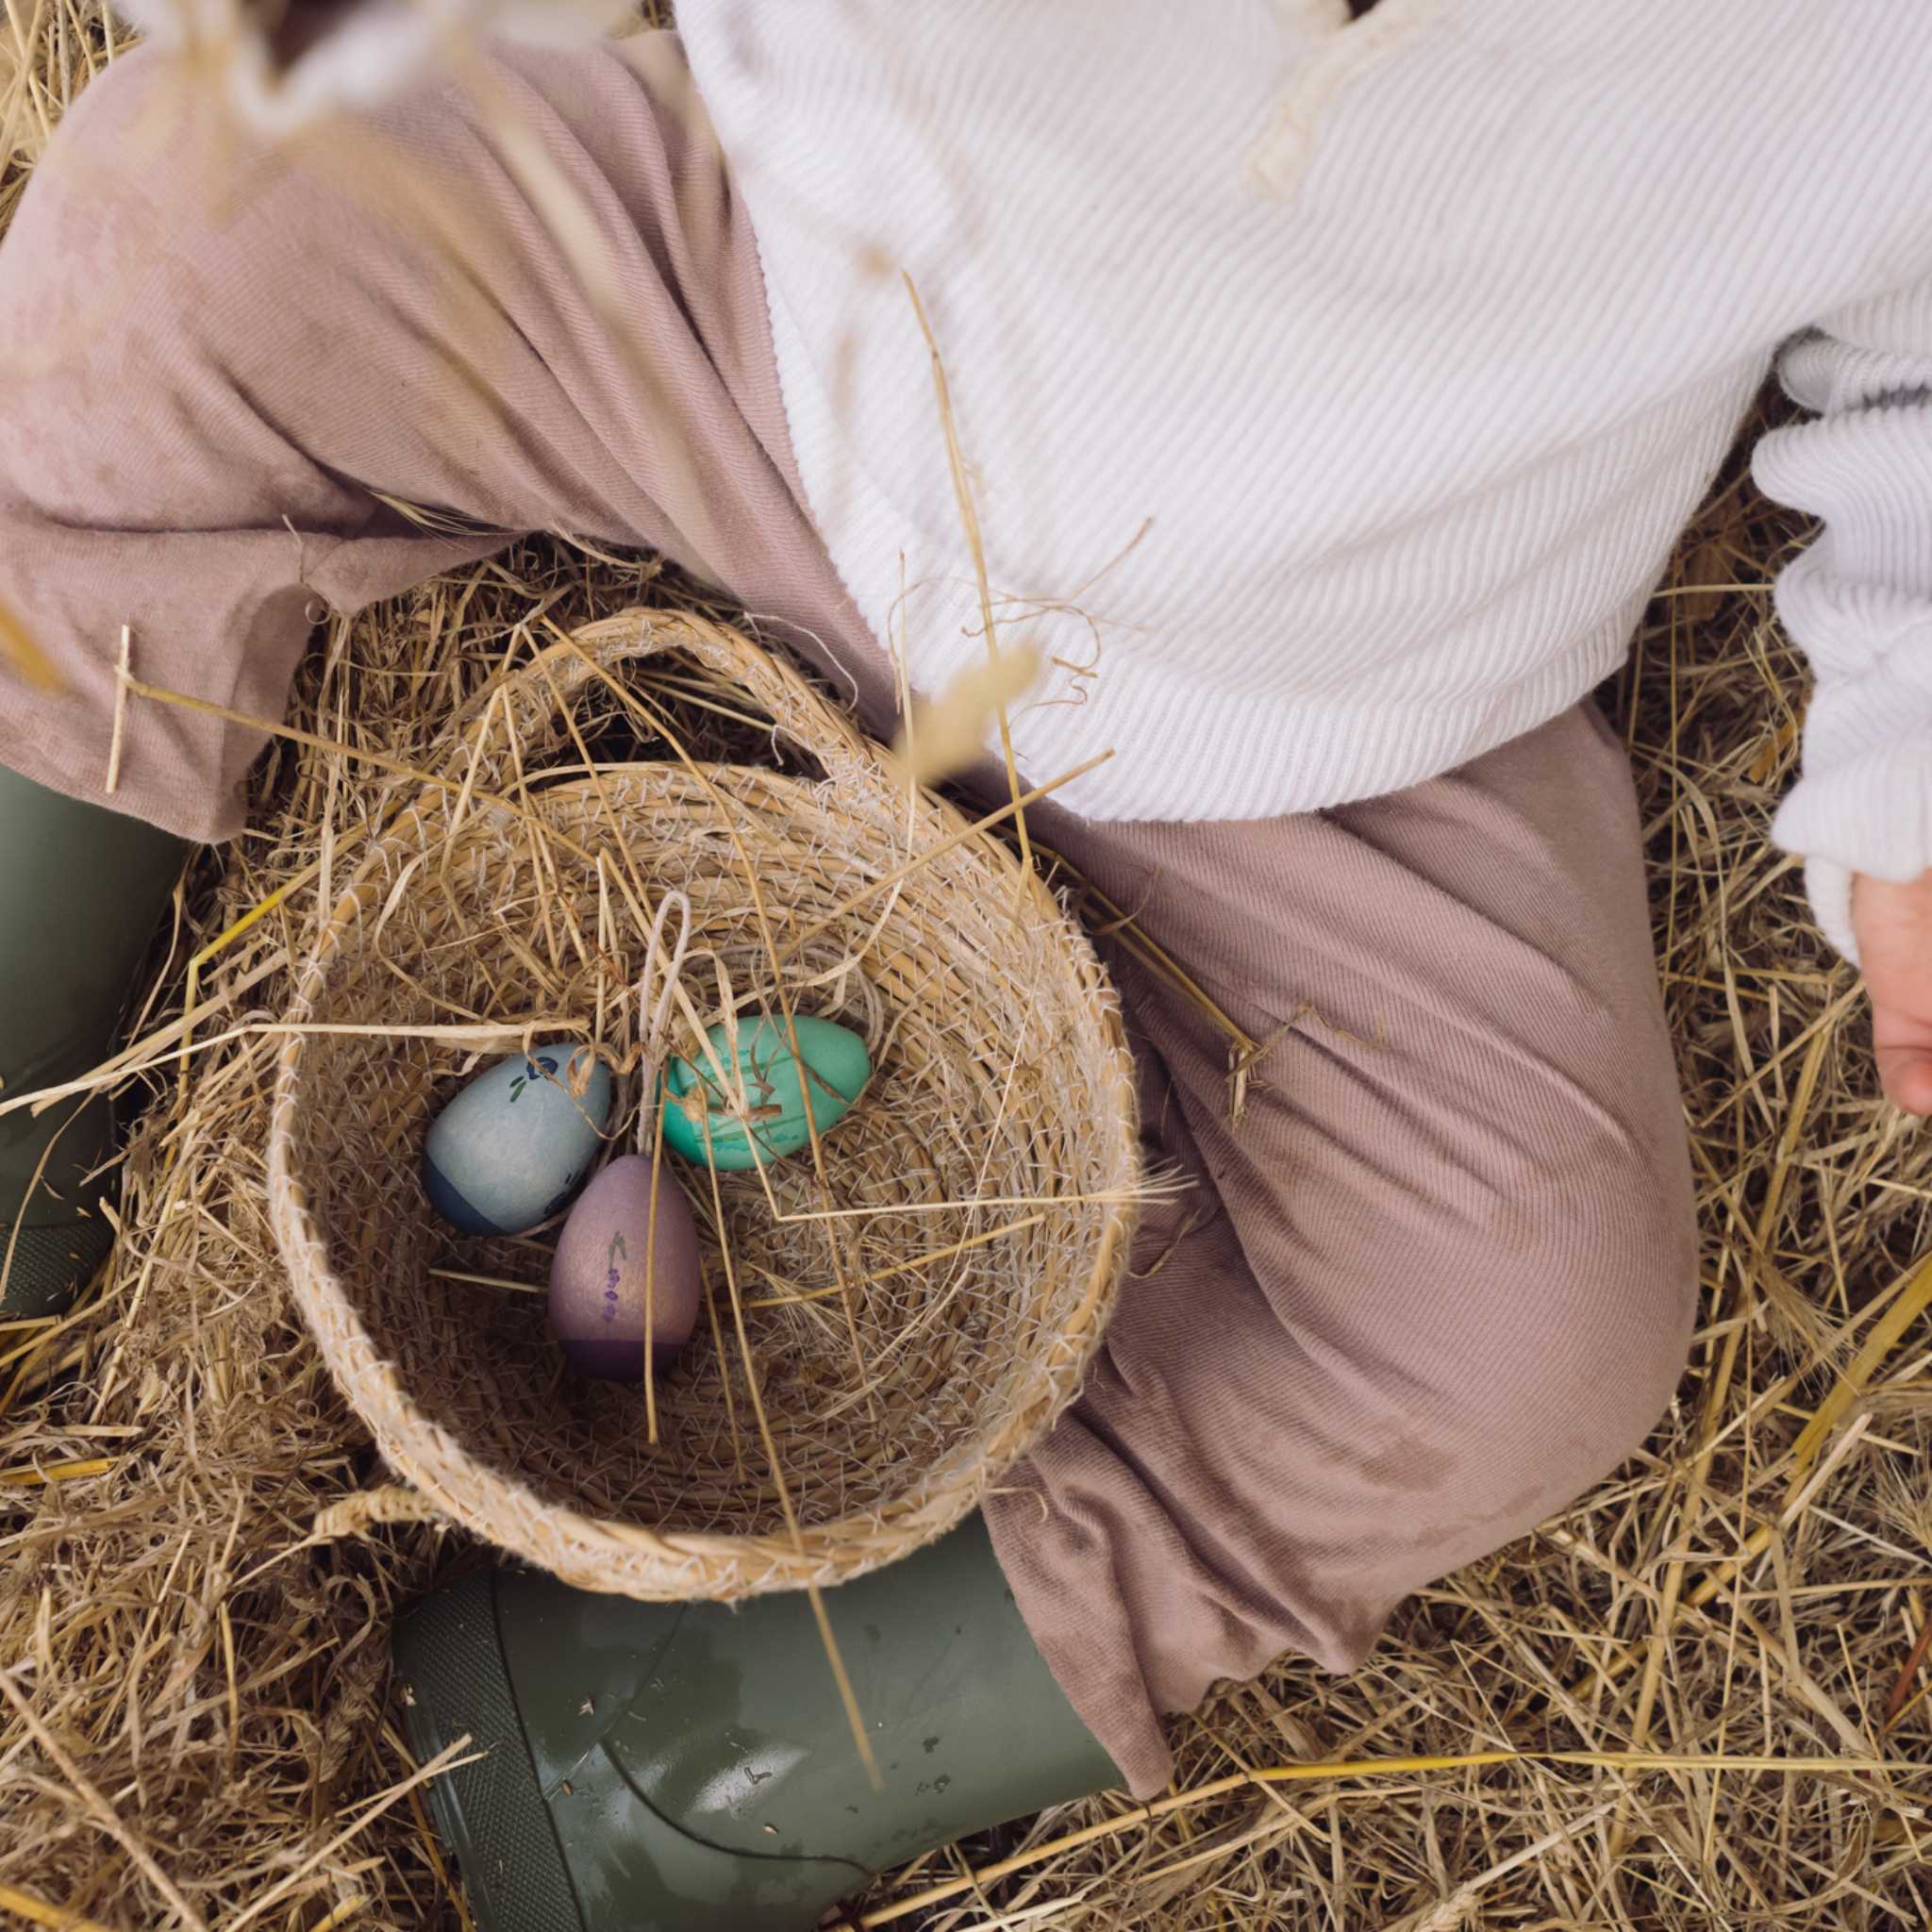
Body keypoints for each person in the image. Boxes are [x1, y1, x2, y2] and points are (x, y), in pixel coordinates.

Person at [4, 2, 1930, 1924]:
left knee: (1521, 1321)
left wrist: (1913, 758)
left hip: (1334, 706)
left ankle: (675, 1749)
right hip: (760, 314)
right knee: (183, 242)